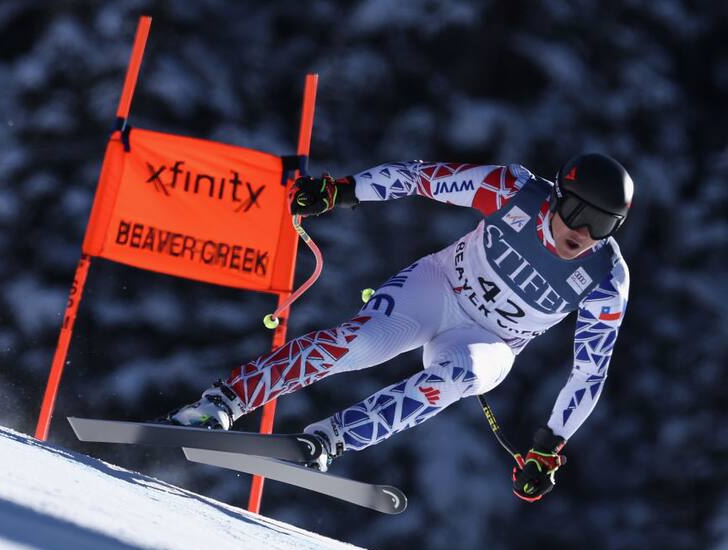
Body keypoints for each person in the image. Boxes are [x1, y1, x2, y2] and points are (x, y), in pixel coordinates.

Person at [163, 153, 632, 502]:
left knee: (457, 378)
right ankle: (222, 402)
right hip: (438, 288)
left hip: (489, 341)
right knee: (359, 343)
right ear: (556, 196)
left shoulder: (605, 279)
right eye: (577, 214)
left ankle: (329, 439)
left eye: (602, 224)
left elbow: (589, 371)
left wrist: (548, 445)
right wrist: (341, 190)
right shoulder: (512, 190)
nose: (583, 233)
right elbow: (421, 178)